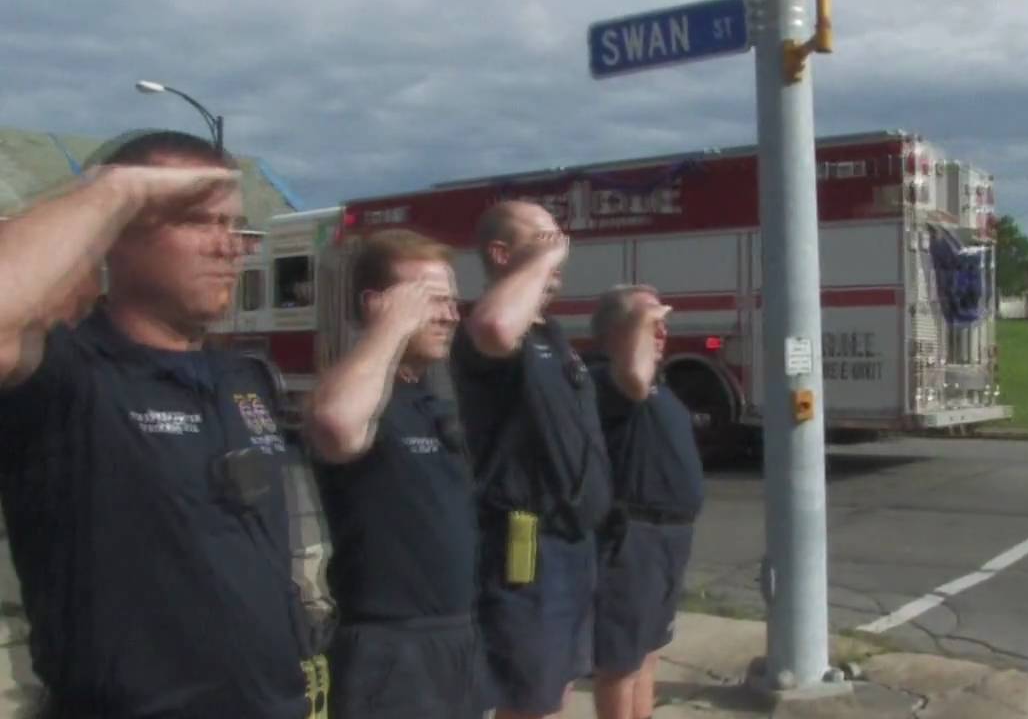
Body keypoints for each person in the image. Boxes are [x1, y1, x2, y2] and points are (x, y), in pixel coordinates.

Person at [0, 131, 312, 719]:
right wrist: (118, 188)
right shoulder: (69, 374)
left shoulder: (241, 377)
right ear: (116, 234)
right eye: (198, 221)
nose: (228, 247)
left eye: (232, 225)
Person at [306, 229, 493, 718]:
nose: (451, 315)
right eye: (431, 301)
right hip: (390, 649)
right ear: (377, 304)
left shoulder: (429, 400)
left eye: (453, 301)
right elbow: (337, 425)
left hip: (458, 639)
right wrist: (388, 329)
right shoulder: (353, 393)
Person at [451, 200, 613, 719]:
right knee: (527, 699)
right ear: (501, 253)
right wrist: (544, 259)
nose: (559, 249)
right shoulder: (489, 334)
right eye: (543, 239)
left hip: (573, 543)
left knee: (557, 688)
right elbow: (496, 325)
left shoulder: (550, 336)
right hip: (525, 546)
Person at [588, 285, 705, 719]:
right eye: (650, 323)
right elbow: (633, 378)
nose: (662, 332)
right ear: (618, 331)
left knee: (650, 649)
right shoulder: (608, 379)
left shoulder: (656, 382)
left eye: (662, 325)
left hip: (669, 537)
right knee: (621, 659)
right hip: (633, 536)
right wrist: (640, 322)